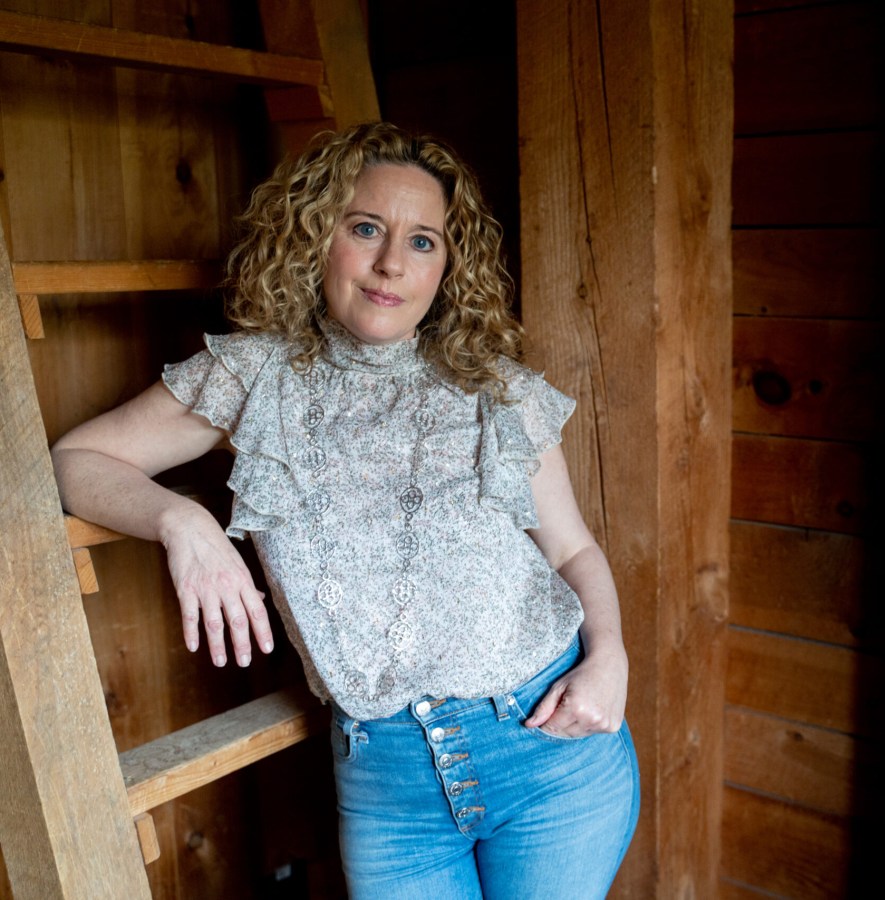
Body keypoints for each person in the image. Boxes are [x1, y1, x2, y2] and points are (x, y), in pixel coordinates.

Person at [51, 122, 639, 899]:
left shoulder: (497, 390)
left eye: (423, 241)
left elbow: (571, 552)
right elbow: (75, 461)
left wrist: (610, 658)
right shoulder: (252, 378)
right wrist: (182, 522)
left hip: (552, 756)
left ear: (447, 267)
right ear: (317, 236)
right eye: (366, 228)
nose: (392, 261)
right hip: (388, 792)